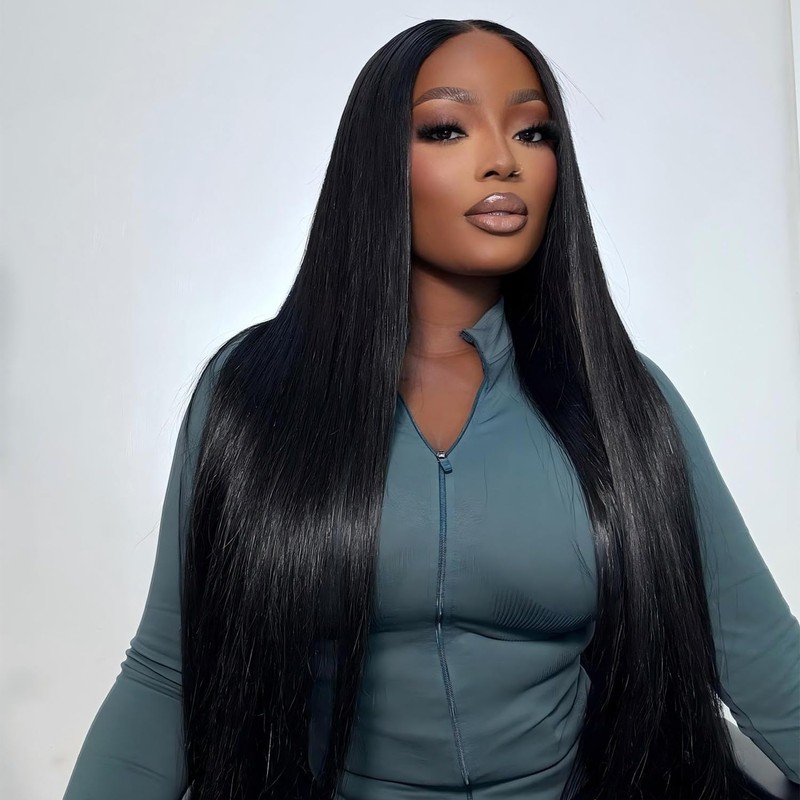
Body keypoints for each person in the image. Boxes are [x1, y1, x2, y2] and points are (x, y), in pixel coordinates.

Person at [63, 18, 799, 800]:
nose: (503, 159)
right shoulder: (252, 392)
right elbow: (167, 675)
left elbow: (757, 653)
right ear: (378, 161)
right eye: (448, 129)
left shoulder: (625, 400)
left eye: (533, 132)